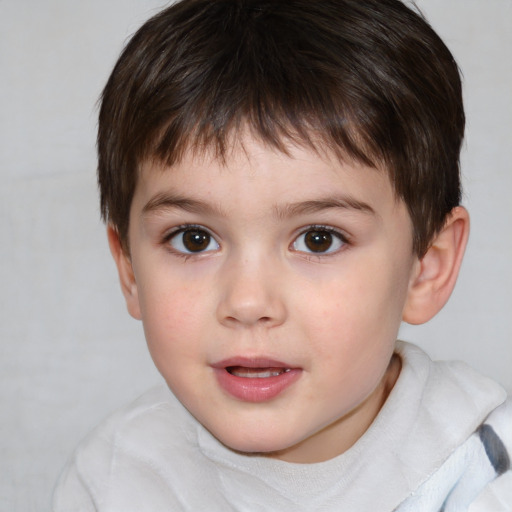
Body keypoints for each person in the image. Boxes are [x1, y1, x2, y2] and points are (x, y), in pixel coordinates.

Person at [53, 0, 511, 510]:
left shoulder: (482, 468)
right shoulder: (115, 480)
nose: (248, 302)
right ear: (130, 270)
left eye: (319, 239)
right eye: (194, 239)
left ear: (427, 266)